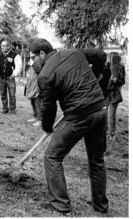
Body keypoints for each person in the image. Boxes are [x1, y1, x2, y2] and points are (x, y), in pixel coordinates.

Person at [30, 38, 109, 215]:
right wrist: (96, 77)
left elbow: (48, 107)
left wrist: (47, 127)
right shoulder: (74, 52)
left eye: (33, 57)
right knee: (96, 160)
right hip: (100, 109)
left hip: (79, 116)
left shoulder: (45, 75)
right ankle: (101, 206)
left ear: (42, 54)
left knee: (52, 156)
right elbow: (101, 55)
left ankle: (61, 207)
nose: (32, 62)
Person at [0, 40, 22, 115]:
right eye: (1, 46)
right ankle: (5, 109)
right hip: (1, 78)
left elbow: (19, 66)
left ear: (8, 46)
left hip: (10, 79)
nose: (2, 47)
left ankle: (12, 110)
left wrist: (13, 75)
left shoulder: (15, 55)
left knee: (12, 95)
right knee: (3, 95)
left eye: (4, 46)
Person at [107, 54, 126, 142]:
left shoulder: (121, 68)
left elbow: (123, 81)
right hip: (106, 94)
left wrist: (116, 80)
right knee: (103, 113)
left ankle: (112, 134)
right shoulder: (107, 66)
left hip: (115, 95)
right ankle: (105, 130)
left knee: (112, 115)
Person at [24, 52, 43, 126]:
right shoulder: (30, 62)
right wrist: (28, 63)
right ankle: (35, 116)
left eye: (33, 56)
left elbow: (39, 70)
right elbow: (26, 70)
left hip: (36, 88)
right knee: (32, 103)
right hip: (30, 87)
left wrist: (32, 64)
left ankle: (40, 120)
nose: (31, 58)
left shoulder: (39, 62)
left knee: (38, 104)